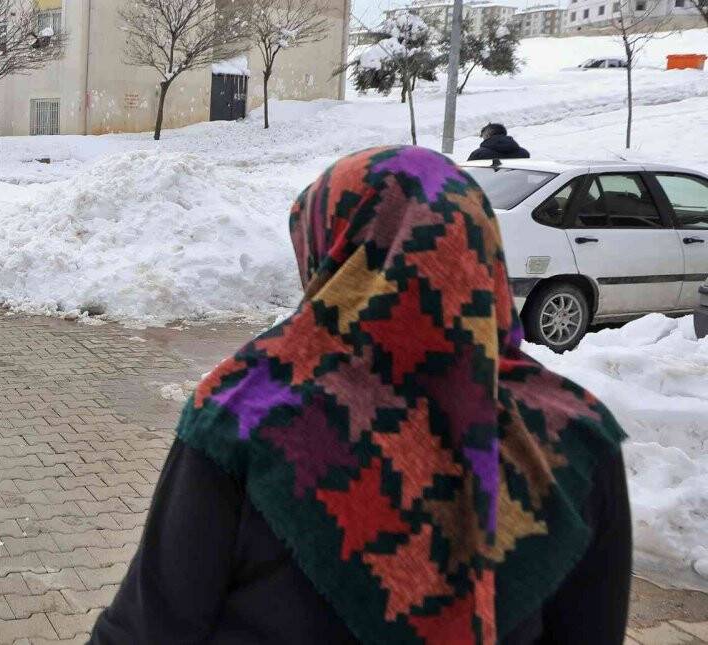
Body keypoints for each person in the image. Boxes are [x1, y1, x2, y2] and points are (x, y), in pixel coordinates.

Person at [89, 146, 631, 645]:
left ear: (332, 255)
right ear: (478, 254)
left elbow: (147, 628)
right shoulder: (575, 435)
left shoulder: (246, 412)